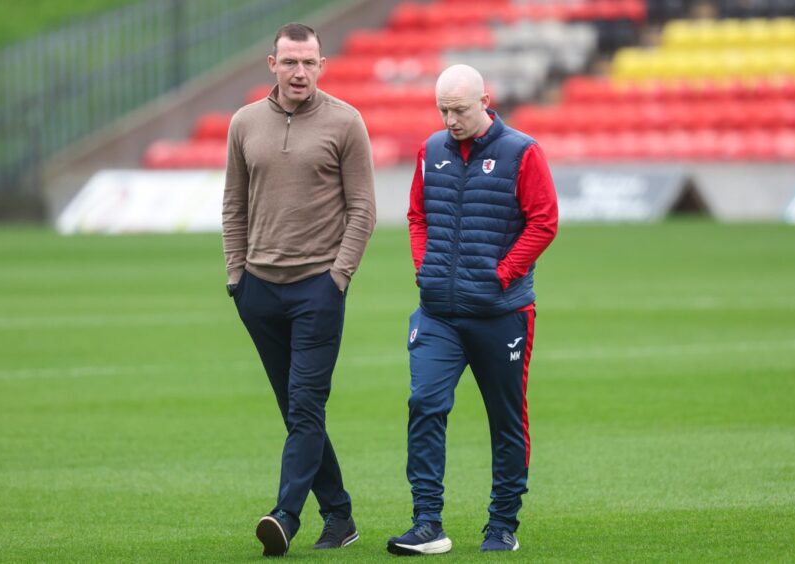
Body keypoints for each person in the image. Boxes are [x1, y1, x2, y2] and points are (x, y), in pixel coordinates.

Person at [387, 64, 558, 555]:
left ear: (485, 99)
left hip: (502, 313)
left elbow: (544, 222)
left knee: (505, 419)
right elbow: (417, 214)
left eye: (458, 109)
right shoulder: (431, 150)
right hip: (438, 311)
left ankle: (502, 524)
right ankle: (426, 523)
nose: (449, 119)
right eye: (442, 109)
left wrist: (501, 275)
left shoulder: (522, 152)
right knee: (424, 404)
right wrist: (425, 267)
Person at [222, 22, 376, 557]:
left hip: (318, 289)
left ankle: (285, 515)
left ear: (321, 65)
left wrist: (339, 277)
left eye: (309, 62)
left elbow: (363, 208)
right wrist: (235, 276)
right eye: (290, 62)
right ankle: (340, 516)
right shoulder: (244, 123)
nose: (300, 72)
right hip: (258, 290)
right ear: (273, 65)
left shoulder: (345, 122)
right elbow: (233, 205)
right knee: (297, 413)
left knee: (306, 407)